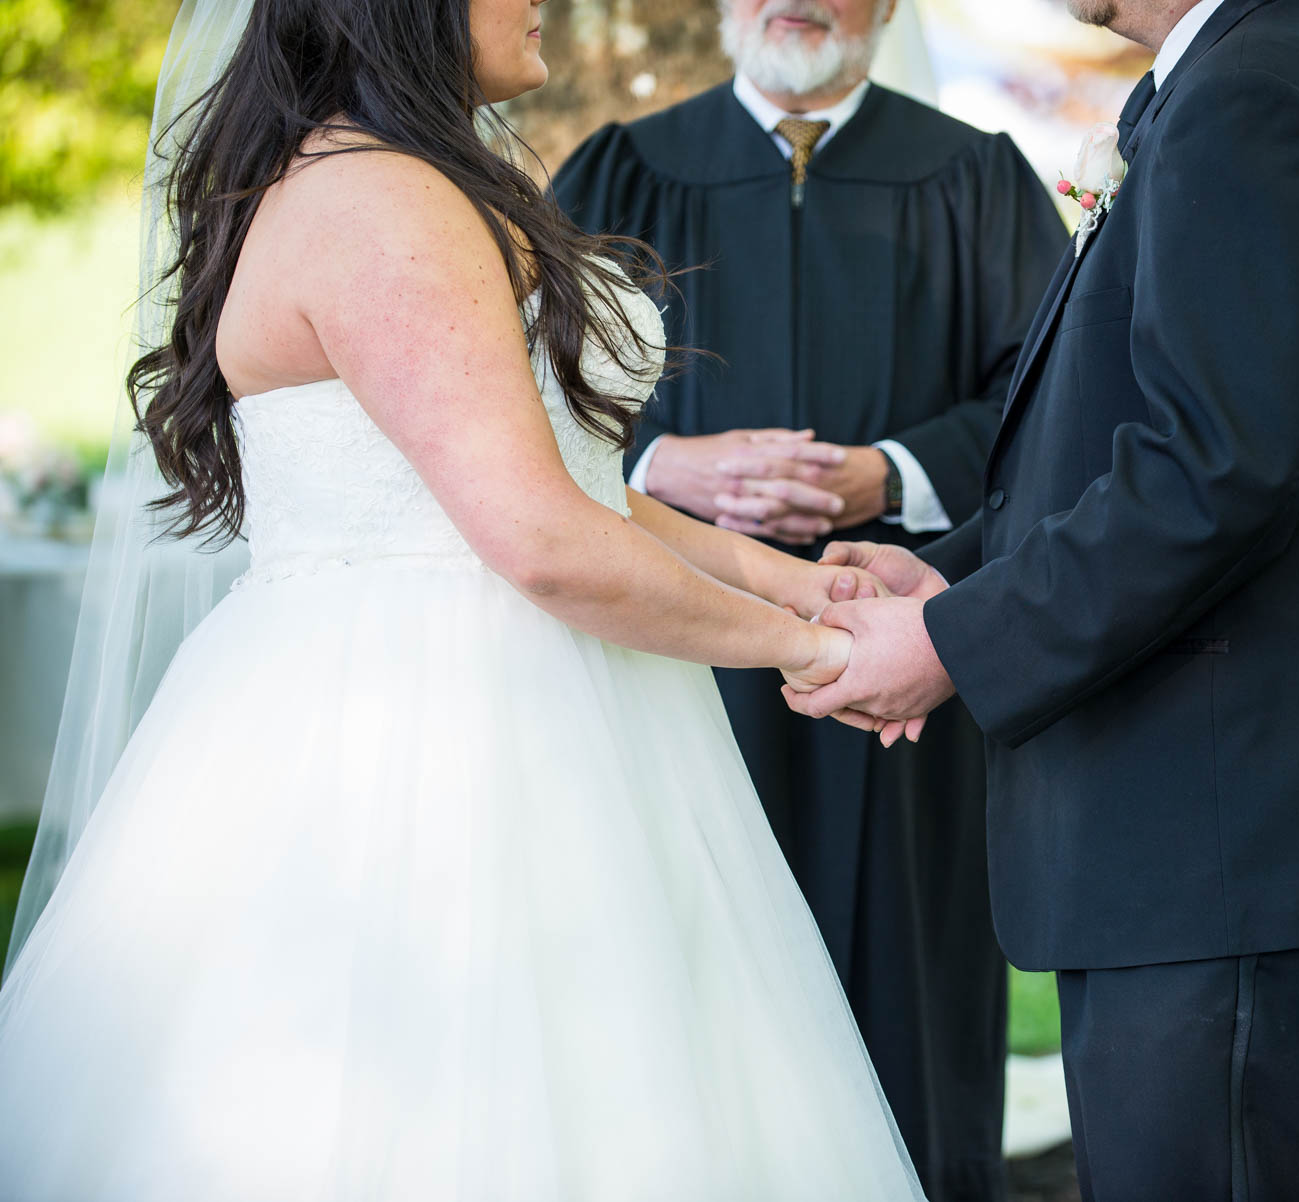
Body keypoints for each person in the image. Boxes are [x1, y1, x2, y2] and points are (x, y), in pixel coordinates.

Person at [0, 0, 931, 1196]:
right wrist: (813, 650)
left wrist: (810, 581)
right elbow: (539, 539)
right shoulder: (382, 204)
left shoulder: (401, 180)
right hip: (432, 733)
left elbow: (575, 486)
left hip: (538, 686)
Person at [789, 0, 1299, 1198]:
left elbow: (1215, 472)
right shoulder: (1236, 79)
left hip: (1221, 836)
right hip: (1208, 834)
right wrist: (956, 571)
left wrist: (954, 642)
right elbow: (1156, 441)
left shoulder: (1255, 96)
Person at [551, 3, 1065, 1196]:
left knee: (905, 982)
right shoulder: (622, 171)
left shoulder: (976, 180)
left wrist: (887, 472)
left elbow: (1056, 403)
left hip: (894, 648)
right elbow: (520, 394)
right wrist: (657, 462)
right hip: (667, 641)